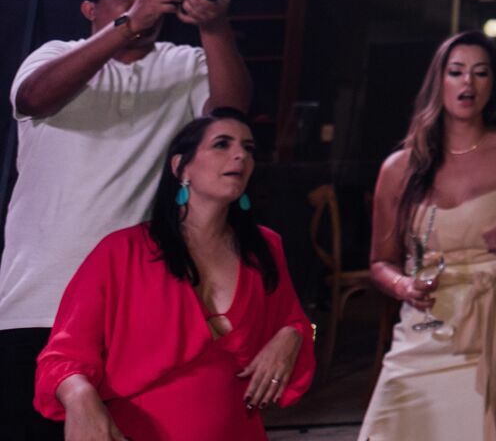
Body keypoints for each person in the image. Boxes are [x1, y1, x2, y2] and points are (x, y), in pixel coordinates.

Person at [2, 0, 251, 441]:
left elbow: (230, 114)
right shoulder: (55, 53)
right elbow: (32, 99)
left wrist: (216, 27)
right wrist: (128, 24)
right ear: (89, 9)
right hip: (37, 297)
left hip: (135, 302)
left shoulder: (183, 64)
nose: (144, 4)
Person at [34, 109, 312, 440]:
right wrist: (80, 396)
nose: (240, 155)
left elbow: (295, 322)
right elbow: (62, 357)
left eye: (248, 148)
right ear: (181, 167)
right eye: (222, 144)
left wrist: (293, 335)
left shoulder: (264, 248)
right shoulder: (121, 252)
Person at [360, 32, 496, 441]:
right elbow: (379, 261)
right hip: (429, 323)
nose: (467, 84)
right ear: (438, 81)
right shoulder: (400, 167)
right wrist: (403, 284)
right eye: (456, 72)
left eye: (480, 73)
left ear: (493, 83)